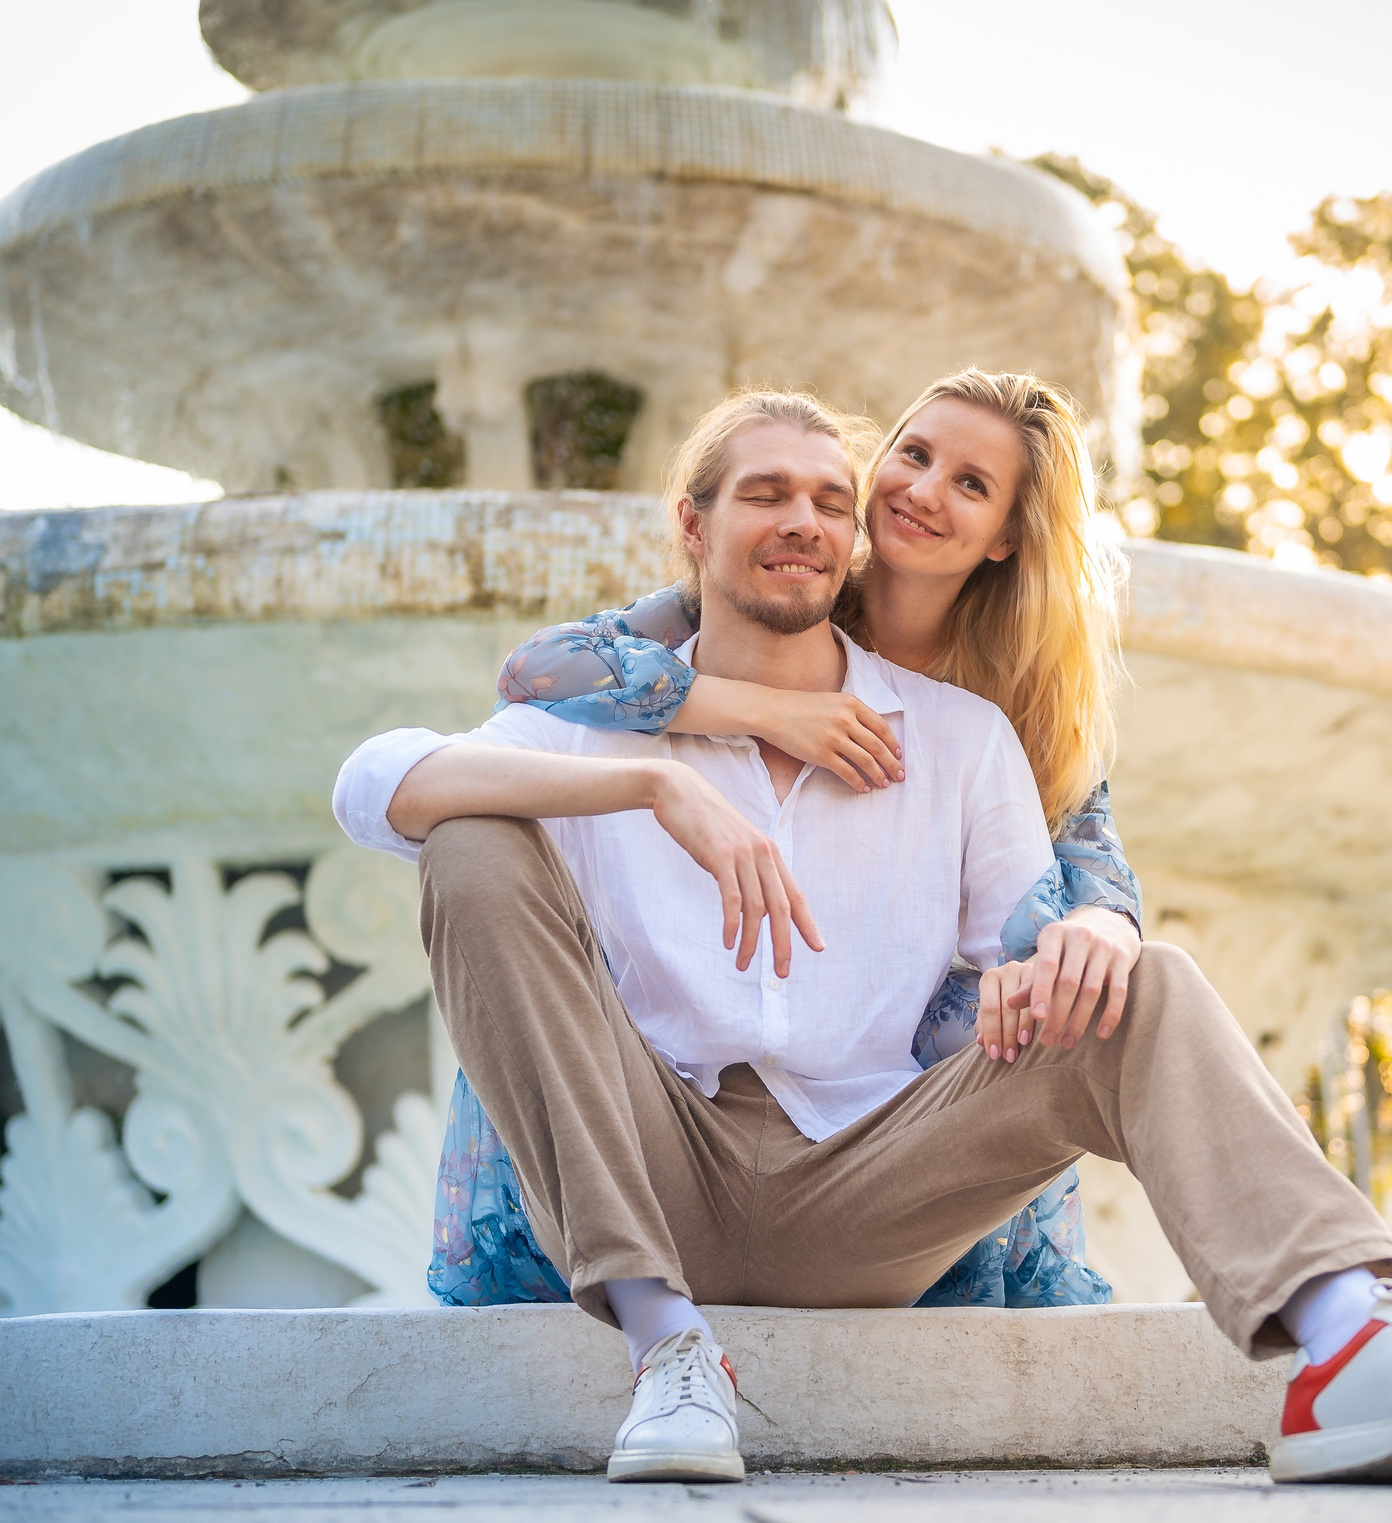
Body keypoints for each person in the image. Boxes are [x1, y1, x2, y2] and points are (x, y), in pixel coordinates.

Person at [333, 389, 1392, 1486]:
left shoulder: (960, 736)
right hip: (646, 1158)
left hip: (865, 1185)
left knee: (1143, 979)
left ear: (853, 541)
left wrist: (1081, 940)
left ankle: (1353, 1340)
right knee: (472, 836)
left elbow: (1033, 926)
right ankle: (670, 1349)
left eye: (828, 499)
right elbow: (374, 776)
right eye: (765, 493)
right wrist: (656, 783)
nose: (803, 519)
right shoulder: (603, 718)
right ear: (692, 527)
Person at [435, 369, 1145, 1313]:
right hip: (695, 1094)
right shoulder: (786, 584)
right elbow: (538, 669)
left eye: (971, 484)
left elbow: (1092, 865)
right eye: (913, 454)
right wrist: (765, 709)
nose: (923, 490)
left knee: (1039, 985)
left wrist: (1106, 928)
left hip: (908, 1080)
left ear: (1008, 535)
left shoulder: (1012, 699)